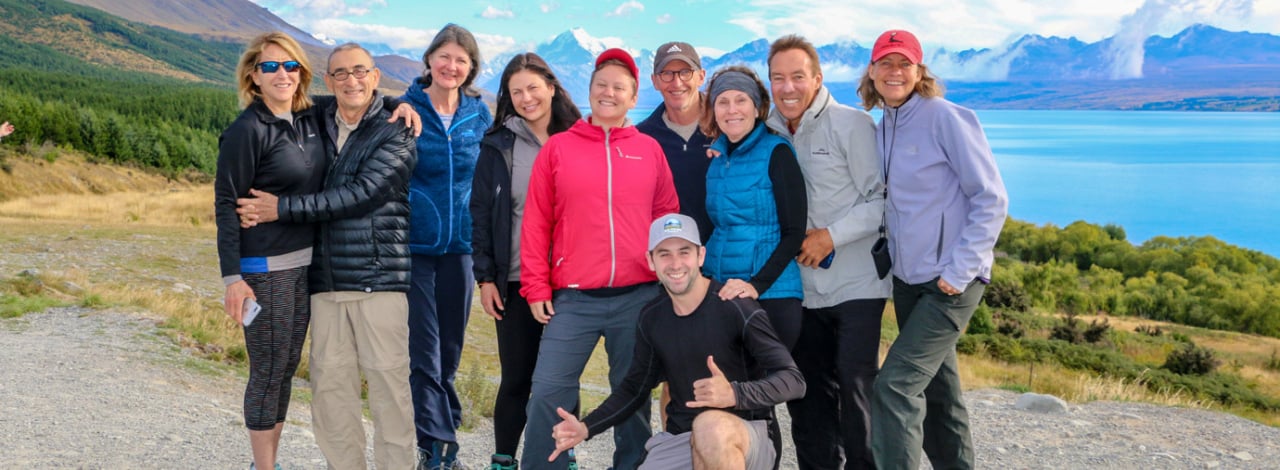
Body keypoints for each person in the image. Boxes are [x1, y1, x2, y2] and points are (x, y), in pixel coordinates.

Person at [236, 42, 420, 470]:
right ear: (328, 80)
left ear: (375, 76)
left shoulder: (398, 131)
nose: (351, 80)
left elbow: (359, 196)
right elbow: (281, 96)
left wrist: (279, 208)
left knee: (389, 392)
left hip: (379, 281)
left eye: (360, 72)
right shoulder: (316, 117)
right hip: (324, 281)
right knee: (330, 394)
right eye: (340, 73)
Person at [519, 48, 679, 470]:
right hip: (572, 299)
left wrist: (670, 281)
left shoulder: (649, 150)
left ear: (632, 96)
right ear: (589, 91)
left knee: (632, 397)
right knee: (548, 392)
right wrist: (535, 285)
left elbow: (667, 219)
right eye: (601, 85)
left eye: (619, 87)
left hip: (638, 297)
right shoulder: (558, 149)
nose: (609, 93)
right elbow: (536, 222)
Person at [547, 213, 805, 470]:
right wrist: (585, 427)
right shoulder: (652, 317)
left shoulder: (735, 305)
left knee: (710, 426)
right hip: (683, 438)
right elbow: (634, 388)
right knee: (700, 429)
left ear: (700, 256)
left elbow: (794, 381)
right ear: (650, 260)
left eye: (684, 252)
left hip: (747, 435)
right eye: (664, 254)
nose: (675, 263)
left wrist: (734, 394)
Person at [859, 29, 1008, 470]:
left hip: (950, 282)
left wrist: (959, 271)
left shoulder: (945, 116)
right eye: (885, 63)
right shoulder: (884, 124)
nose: (894, 72)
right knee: (940, 392)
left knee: (894, 387)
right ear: (871, 71)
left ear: (919, 71)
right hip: (908, 281)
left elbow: (991, 198)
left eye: (904, 63)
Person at [765, 34, 891, 470]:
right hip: (802, 290)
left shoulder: (851, 125)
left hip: (857, 285)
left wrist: (830, 236)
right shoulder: (770, 129)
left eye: (798, 77)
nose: (787, 88)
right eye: (778, 78)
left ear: (817, 79)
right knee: (808, 397)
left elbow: (882, 200)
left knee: (856, 393)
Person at [215, 31, 325, 470]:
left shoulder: (309, 118)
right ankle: (264, 467)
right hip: (264, 270)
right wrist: (232, 278)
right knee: (268, 369)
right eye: (270, 66)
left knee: (284, 367)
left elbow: (364, 98)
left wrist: (403, 103)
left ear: (301, 72)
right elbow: (226, 205)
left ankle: (269, 463)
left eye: (290, 65)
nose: (282, 74)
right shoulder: (246, 130)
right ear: (253, 77)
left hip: (303, 266)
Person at [470, 52, 581, 470]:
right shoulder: (498, 145)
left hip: (572, 282)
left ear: (552, 87)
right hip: (515, 279)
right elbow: (480, 213)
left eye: (533, 87)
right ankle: (503, 459)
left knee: (560, 381)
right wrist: (485, 278)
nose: (526, 97)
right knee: (517, 378)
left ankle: (560, 458)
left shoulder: (581, 138)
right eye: (516, 91)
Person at [401, 23, 493, 469]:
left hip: (462, 248)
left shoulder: (480, 116)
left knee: (450, 351)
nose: (451, 66)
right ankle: (438, 450)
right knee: (425, 349)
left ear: (471, 67)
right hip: (415, 247)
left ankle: (440, 428)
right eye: (444, 56)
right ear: (430, 59)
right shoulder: (404, 108)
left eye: (461, 60)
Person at [701, 65, 807, 352]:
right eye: (723, 102)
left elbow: (794, 232)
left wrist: (756, 286)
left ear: (758, 107)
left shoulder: (777, 152)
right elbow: (717, 229)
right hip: (724, 292)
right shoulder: (717, 161)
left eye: (741, 100)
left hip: (771, 296)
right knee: (726, 392)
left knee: (757, 393)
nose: (731, 110)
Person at [636, 41, 712, 242]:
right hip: (669, 261)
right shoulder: (641, 138)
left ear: (701, 76)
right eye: (667, 74)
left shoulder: (726, 127)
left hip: (725, 259)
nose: (677, 83)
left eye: (685, 72)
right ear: (655, 81)